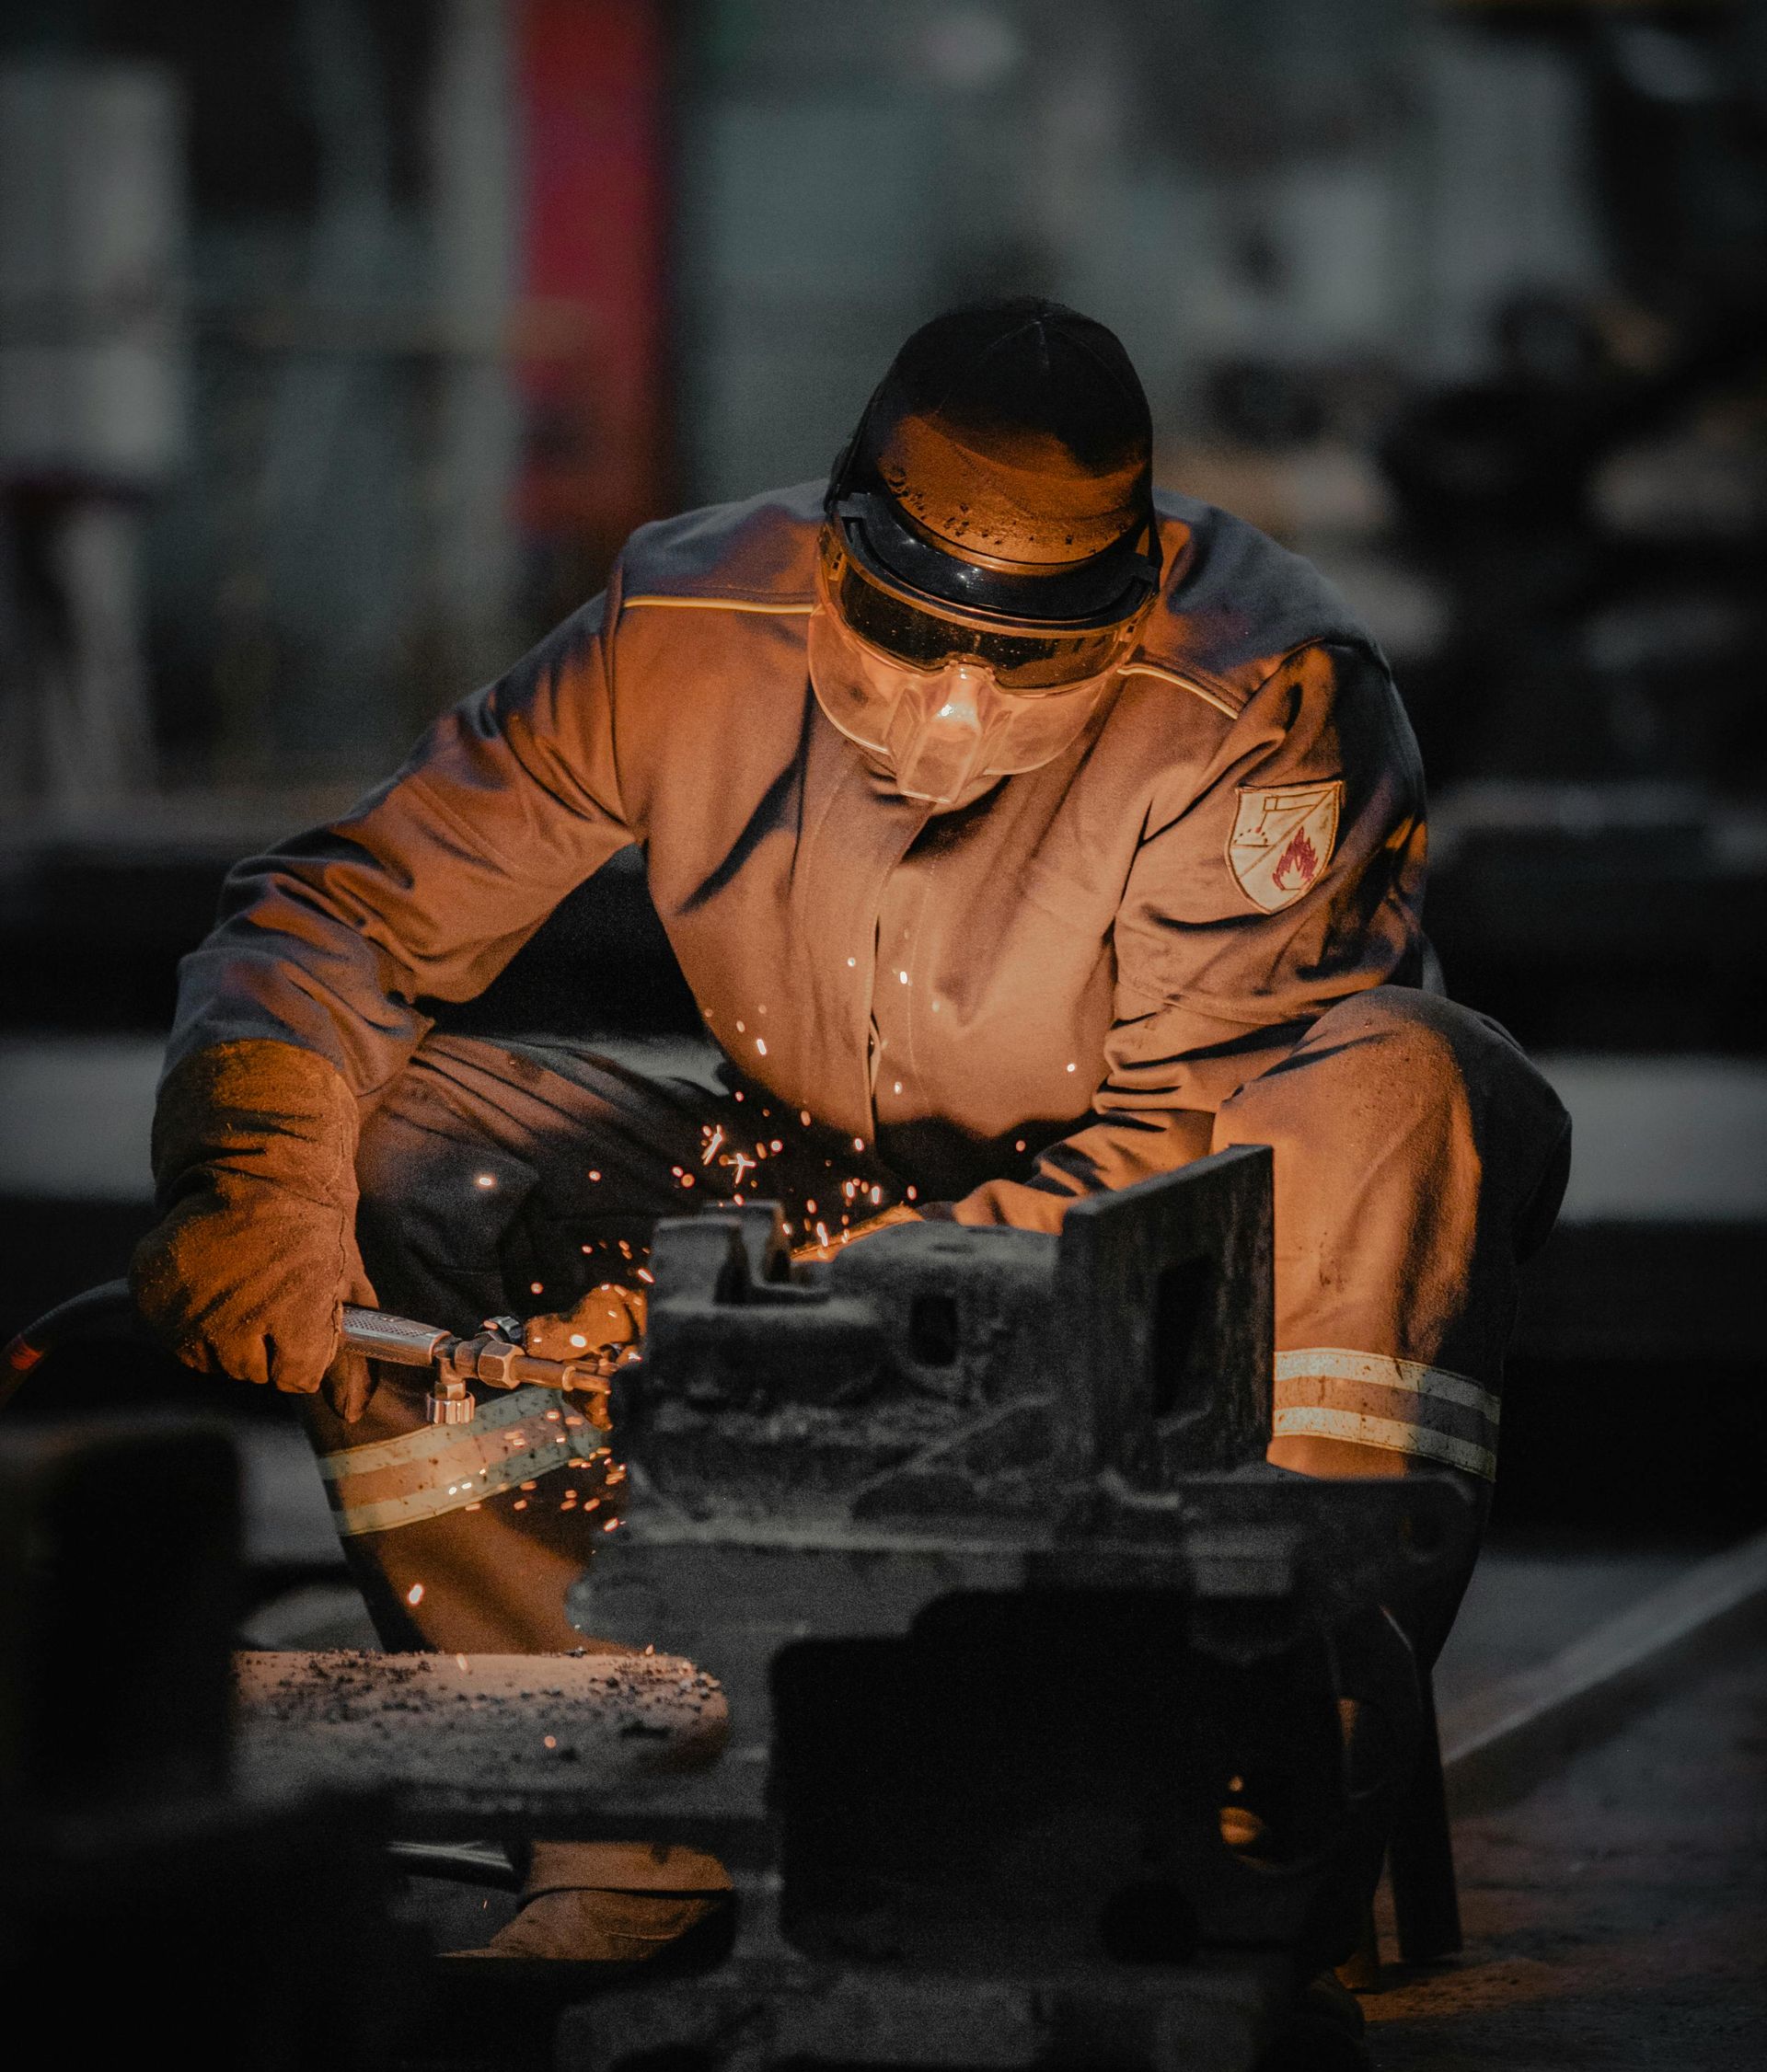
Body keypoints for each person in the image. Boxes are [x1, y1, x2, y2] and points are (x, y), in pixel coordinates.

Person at [133, 299, 1570, 1969]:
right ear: (836, 541)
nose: (956, 702)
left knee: (1407, 1085)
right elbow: (343, 912)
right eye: (909, 628)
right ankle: (630, 1806)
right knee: (405, 1138)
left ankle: (1250, 1801)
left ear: (1131, 589)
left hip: (1176, 1273)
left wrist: (815, 1311)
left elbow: (1202, 1150)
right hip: (817, 1187)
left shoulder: (1262, 697)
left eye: (1032, 653)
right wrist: (250, 1166)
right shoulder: (687, 625)